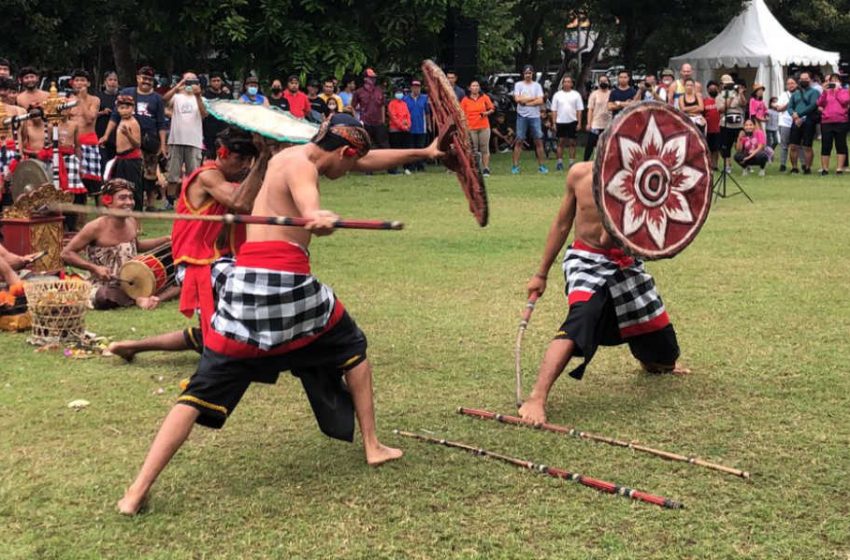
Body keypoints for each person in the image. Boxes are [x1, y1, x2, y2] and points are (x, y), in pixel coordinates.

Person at [115, 113, 453, 516]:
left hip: (244, 285)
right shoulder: (301, 167)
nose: (352, 169)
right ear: (341, 150)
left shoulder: (289, 156)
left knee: (200, 389)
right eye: (351, 162)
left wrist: (426, 151)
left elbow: (367, 159)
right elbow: (309, 201)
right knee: (352, 345)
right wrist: (317, 216)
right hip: (285, 286)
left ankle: (136, 491)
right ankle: (373, 445)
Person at [518, 161, 688, 425]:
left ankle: (651, 355)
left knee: (663, 363)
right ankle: (537, 397)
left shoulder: (648, 181)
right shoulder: (579, 173)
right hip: (586, 259)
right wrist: (541, 273)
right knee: (583, 316)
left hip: (626, 263)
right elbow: (563, 224)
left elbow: (622, 238)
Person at [61, 179, 177, 310]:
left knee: (180, 282)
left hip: (135, 280)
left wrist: (165, 240)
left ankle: (147, 298)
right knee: (104, 296)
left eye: (131, 198)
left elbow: (136, 246)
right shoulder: (94, 227)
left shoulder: (132, 221)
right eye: (122, 198)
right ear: (108, 201)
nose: (129, 202)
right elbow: (66, 253)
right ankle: (141, 298)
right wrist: (94, 268)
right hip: (108, 284)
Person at [100, 66, 168, 211]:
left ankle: (150, 204)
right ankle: (125, 203)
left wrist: (163, 145)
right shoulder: (127, 93)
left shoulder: (157, 98)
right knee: (127, 176)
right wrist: (106, 135)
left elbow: (161, 123)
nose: (147, 82)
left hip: (149, 139)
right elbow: (114, 116)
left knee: (150, 174)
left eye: (150, 79)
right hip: (126, 143)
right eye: (144, 78)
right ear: (138, 78)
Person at [162, 72, 207, 209]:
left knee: (193, 174)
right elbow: (163, 100)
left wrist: (198, 95)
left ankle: (192, 202)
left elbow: (204, 114)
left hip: (194, 141)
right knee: (172, 174)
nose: (189, 84)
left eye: (193, 81)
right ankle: (170, 202)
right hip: (176, 140)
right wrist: (177, 87)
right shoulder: (177, 97)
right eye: (187, 80)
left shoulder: (202, 99)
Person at [511, 65, 547, 174]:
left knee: (538, 141)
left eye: (530, 73)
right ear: (523, 74)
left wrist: (526, 102)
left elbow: (541, 101)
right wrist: (533, 99)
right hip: (522, 116)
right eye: (526, 73)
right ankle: (515, 166)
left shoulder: (537, 86)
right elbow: (517, 99)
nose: (528, 75)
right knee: (519, 140)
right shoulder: (518, 85)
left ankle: (541, 166)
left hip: (535, 116)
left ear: (532, 74)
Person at [109, 95, 143, 207]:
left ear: (132, 108)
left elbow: (138, 144)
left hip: (131, 159)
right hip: (121, 158)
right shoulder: (121, 120)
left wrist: (128, 135)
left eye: (127, 108)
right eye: (121, 108)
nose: (124, 111)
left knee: (133, 187)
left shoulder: (133, 122)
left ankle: (136, 213)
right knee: (120, 187)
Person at [816, 73, 850, 175]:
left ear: (840, 82)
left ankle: (839, 168)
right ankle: (825, 168)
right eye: (832, 80)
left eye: (836, 80)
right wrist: (824, 92)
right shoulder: (826, 92)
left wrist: (837, 91)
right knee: (826, 145)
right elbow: (819, 103)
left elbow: (845, 101)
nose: (834, 82)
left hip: (841, 121)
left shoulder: (844, 91)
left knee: (841, 144)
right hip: (827, 122)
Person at [460, 80, 495, 177]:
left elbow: (492, 108)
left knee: (484, 148)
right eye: (473, 86)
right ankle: (474, 168)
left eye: (477, 86)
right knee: (473, 149)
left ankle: (486, 168)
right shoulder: (465, 100)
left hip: (484, 126)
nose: (475, 88)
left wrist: (486, 113)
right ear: (470, 88)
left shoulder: (484, 97)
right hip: (471, 127)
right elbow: (460, 113)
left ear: (479, 88)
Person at [787, 71, 820, 175]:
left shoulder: (814, 92)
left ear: (810, 80)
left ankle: (807, 167)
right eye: (801, 79)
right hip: (796, 121)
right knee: (793, 145)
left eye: (806, 79)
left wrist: (799, 115)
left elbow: (812, 106)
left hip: (809, 121)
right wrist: (793, 115)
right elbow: (790, 107)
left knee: (807, 146)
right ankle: (794, 167)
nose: (803, 81)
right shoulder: (795, 94)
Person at [550, 75, 584, 171]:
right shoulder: (557, 95)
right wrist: (554, 123)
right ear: (562, 83)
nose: (567, 83)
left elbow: (579, 110)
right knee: (560, 142)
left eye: (569, 82)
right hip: (560, 121)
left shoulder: (576, 95)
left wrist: (579, 123)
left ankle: (571, 163)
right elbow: (554, 110)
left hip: (572, 121)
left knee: (572, 143)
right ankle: (559, 162)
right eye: (565, 82)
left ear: (572, 84)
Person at [353, 68, 389, 151]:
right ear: (365, 78)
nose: (373, 79)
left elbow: (382, 105)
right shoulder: (359, 92)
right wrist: (357, 121)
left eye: (374, 78)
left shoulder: (379, 91)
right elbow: (353, 107)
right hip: (365, 123)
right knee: (366, 145)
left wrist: (383, 121)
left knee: (383, 145)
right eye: (371, 78)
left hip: (378, 122)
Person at [715, 74, 746, 173]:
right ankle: (727, 165)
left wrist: (740, 93)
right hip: (726, 124)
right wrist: (730, 99)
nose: (729, 86)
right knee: (725, 146)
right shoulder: (720, 96)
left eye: (730, 84)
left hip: (738, 123)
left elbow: (744, 103)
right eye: (726, 84)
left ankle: (745, 163)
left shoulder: (736, 93)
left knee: (741, 144)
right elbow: (721, 109)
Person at [202, 72, 232, 159]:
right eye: (213, 81)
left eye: (218, 80)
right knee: (211, 154)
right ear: (210, 82)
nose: (216, 83)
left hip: (224, 129)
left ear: (221, 81)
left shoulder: (226, 94)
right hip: (209, 130)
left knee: (224, 153)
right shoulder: (205, 95)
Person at [96, 71, 120, 177]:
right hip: (101, 134)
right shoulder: (98, 97)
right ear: (105, 82)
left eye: (115, 80)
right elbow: (90, 115)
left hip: (117, 136)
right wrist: (102, 112)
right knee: (103, 163)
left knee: (115, 164)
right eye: (110, 80)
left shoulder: (121, 98)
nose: (113, 83)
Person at [583, 74, 611, 161]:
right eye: (601, 81)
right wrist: (589, 123)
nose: (603, 83)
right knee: (590, 144)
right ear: (598, 83)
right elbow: (590, 109)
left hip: (608, 123)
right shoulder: (594, 94)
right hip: (596, 123)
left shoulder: (612, 93)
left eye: (605, 81)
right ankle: (585, 161)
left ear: (608, 82)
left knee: (607, 144)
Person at [403, 80, 429, 172]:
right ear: (411, 88)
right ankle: (411, 166)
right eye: (414, 87)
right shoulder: (405, 99)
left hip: (421, 127)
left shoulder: (424, 98)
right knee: (410, 147)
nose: (416, 89)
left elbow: (427, 113)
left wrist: (429, 125)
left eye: (418, 87)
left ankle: (420, 165)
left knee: (420, 147)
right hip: (409, 127)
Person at [773, 77, 797, 172]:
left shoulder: (800, 94)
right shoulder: (783, 95)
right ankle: (783, 164)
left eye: (792, 83)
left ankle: (802, 165)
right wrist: (790, 102)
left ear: (796, 84)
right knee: (784, 144)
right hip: (785, 122)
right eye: (788, 83)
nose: (791, 85)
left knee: (798, 145)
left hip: (797, 121)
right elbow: (779, 108)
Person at [387, 87, 412, 175]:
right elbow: (393, 117)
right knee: (395, 150)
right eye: (397, 92)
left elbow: (408, 115)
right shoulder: (391, 104)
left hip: (405, 129)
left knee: (406, 149)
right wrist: (402, 126)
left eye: (400, 92)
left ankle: (406, 168)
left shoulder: (404, 104)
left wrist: (408, 125)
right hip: (395, 130)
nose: (399, 94)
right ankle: (393, 169)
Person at [703, 81, 722, 170]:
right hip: (708, 129)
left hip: (718, 129)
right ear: (707, 90)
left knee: (716, 149)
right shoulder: (704, 101)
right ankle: (708, 165)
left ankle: (715, 165)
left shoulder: (720, 101)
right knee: (708, 148)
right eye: (711, 89)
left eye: (715, 89)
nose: (713, 90)